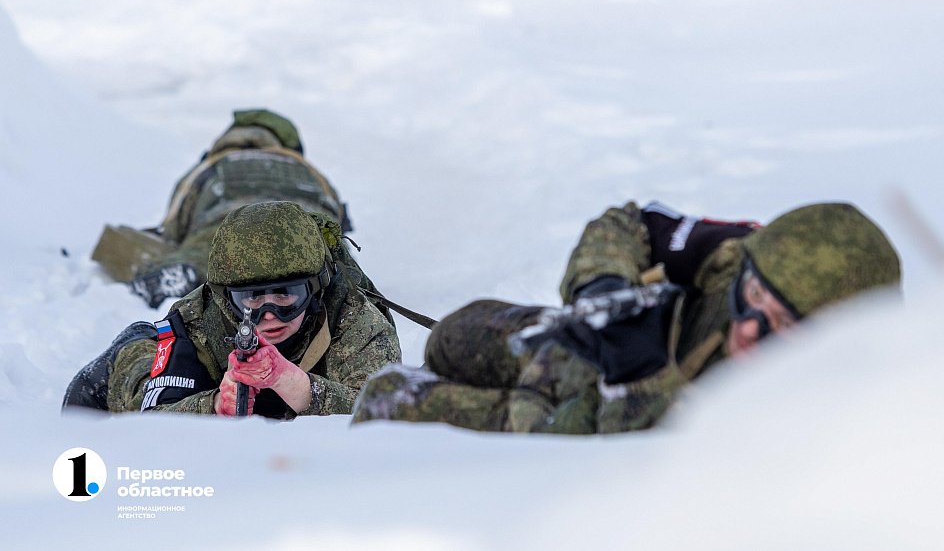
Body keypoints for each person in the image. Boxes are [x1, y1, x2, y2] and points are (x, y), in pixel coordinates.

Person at [351, 201, 901, 434]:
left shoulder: (825, 415)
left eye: (785, 326)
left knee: (388, 403)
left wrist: (638, 380)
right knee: (453, 335)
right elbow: (632, 222)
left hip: (586, 428)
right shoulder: (737, 256)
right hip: (583, 349)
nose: (749, 329)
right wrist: (603, 286)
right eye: (753, 296)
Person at [64, 201, 401, 418]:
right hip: (202, 373)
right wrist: (212, 405)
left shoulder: (355, 318)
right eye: (251, 300)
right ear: (226, 299)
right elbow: (145, 410)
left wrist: (295, 385)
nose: (270, 315)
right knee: (92, 389)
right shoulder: (196, 319)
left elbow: (388, 410)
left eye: (286, 296)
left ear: (315, 290)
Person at [92, 108, 354, 309]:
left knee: (135, 246)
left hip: (223, 231)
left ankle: (187, 272)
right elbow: (338, 222)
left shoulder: (208, 168)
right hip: (303, 235)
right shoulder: (311, 173)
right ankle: (329, 285)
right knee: (322, 266)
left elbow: (174, 225)